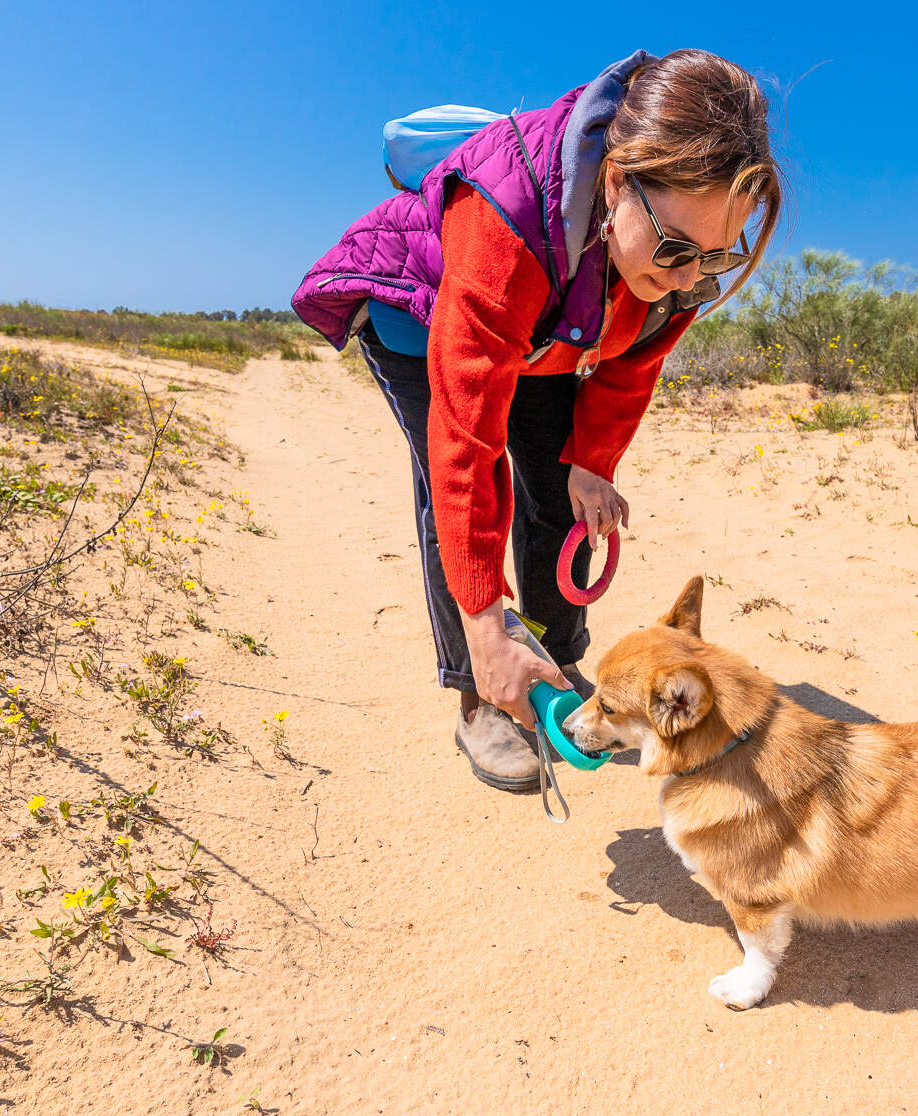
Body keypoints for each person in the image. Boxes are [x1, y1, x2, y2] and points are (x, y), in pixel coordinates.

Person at [292, 49, 782, 792]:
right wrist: (487, 627)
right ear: (616, 181)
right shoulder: (507, 210)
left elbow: (632, 361)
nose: (689, 279)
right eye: (677, 248)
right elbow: (466, 447)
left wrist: (593, 464)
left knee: (561, 492)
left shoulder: (675, 264)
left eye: (714, 259)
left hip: (553, 331)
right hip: (424, 315)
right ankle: (479, 691)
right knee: (461, 504)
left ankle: (553, 658)